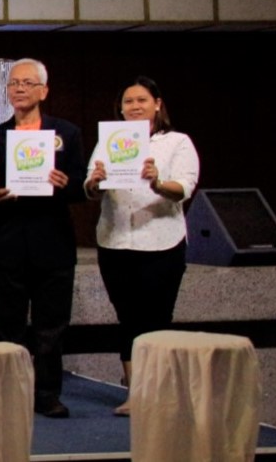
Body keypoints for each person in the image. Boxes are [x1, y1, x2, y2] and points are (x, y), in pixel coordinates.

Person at [84, 76, 199, 417]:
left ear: (157, 104)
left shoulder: (177, 142)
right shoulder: (109, 142)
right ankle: (135, 392)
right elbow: (91, 188)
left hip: (161, 241)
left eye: (141, 100)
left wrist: (157, 182)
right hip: (115, 240)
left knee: (156, 318)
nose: (134, 106)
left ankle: (158, 390)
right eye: (128, 102)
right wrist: (96, 181)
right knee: (128, 319)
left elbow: (184, 188)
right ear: (120, 108)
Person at [0, 59, 86, 419]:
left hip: (53, 243)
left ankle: (47, 393)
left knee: (51, 327)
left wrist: (67, 184)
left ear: (44, 90)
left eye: (28, 83)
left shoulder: (67, 133)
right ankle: (10, 394)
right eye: (14, 84)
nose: (20, 89)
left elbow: (82, 186)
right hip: (7, 243)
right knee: (8, 326)